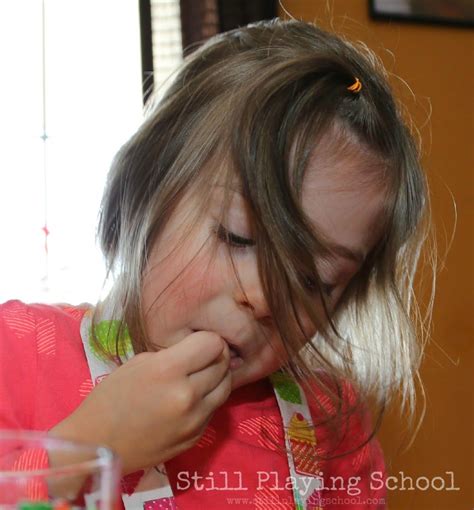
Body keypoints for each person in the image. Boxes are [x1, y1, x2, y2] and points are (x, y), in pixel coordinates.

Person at [0, 18, 432, 510]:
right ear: (149, 187)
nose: (267, 298)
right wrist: (86, 450)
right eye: (238, 237)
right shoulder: (15, 355)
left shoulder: (331, 422)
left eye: (314, 281)